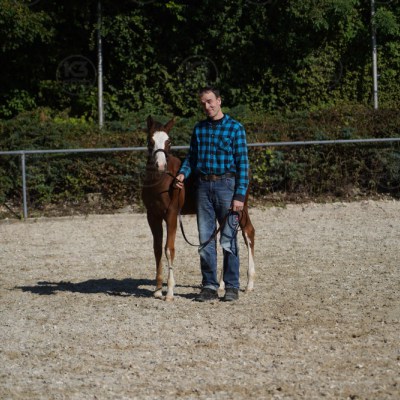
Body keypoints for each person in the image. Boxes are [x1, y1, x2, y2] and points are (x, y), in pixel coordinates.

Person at [175, 86, 249, 302]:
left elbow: (243, 164)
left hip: (227, 186)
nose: (207, 106)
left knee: (228, 238)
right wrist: (183, 173)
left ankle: (232, 286)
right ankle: (209, 285)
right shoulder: (199, 129)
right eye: (203, 103)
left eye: (210, 101)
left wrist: (240, 195)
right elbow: (192, 157)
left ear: (219, 100)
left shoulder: (235, 128)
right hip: (203, 188)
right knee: (205, 239)